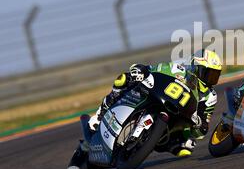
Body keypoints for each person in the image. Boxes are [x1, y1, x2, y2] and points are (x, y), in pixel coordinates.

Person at [88, 49, 222, 157]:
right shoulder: (177, 69)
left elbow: (203, 129)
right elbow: (150, 69)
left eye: (214, 76)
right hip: (157, 99)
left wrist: (199, 123)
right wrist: (140, 71)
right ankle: (101, 114)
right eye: (208, 74)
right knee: (123, 79)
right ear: (195, 67)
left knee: (187, 146)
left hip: (177, 122)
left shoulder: (210, 96)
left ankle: (166, 143)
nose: (210, 80)